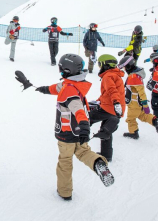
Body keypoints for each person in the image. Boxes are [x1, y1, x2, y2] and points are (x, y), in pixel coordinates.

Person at [34, 54, 114, 201]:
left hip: (67, 134)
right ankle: (98, 162)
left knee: (65, 161)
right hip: (78, 133)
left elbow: (78, 109)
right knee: (83, 152)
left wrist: (84, 125)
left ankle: (64, 192)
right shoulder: (74, 83)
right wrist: (43, 89)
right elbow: (57, 87)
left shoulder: (69, 91)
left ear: (66, 70)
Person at [88, 54, 125, 162]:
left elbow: (112, 91)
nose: (99, 67)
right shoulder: (115, 75)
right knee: (106, 131)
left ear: (105, 64)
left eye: (100, 64)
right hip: (115, 109)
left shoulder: (108, 76)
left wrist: (116, 102)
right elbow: (107, 93)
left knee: (86, 118)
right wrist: (98, 100)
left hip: (110, 107)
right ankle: (106, 155)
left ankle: (78, 143)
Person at [118, 56, 158, 139]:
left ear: (128, 66)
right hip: (137, 101)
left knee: (130, 118)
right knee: (142, 115)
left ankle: (133, 133)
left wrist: (145, 104)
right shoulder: (136, 75)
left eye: (124, 67)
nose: (124, 69)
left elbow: (141, 92)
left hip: (134, 102)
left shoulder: (133, 77)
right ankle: (156, 121)